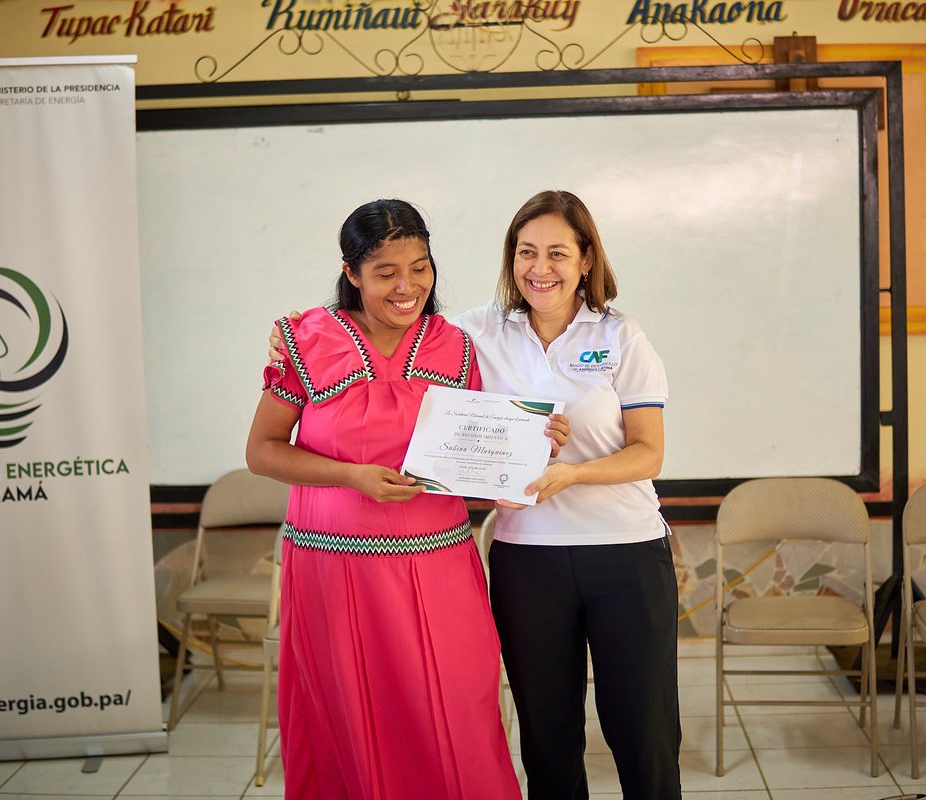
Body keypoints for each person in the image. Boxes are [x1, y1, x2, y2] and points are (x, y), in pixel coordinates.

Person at [272, 191, 680, 800]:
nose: (540, 268)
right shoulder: (471, 331)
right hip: (528, 553)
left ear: (587, 259)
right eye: (526, 252)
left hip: (624, 548)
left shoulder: (621, 335)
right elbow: (387, 330)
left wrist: (570, 472)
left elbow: (649, 453)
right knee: (546, 734)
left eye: (558, 253)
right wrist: (291, 341)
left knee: (641, 730)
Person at [246, 199, 566, 800]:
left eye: (420, 267)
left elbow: (470, 457)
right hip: (333, 571)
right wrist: (351, 477)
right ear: (351, 273)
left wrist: (527, 457)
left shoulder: (458, 345)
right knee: (349, 713)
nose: (407, 286)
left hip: (438, 563)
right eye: (386, 272)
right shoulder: (305, 339)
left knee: (454, 709)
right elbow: (262, 451)